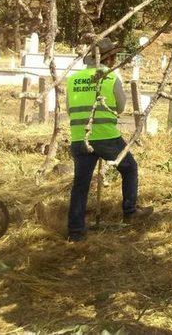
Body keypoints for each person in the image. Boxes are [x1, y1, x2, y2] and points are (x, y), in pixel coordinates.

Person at [66, 38, 152, 243]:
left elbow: (70, 109)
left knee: (81, 184)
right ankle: (130, 211)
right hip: (105, 136)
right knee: (129, 167)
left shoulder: (73, 79)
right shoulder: (111, 76)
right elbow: (120, 107)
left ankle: (75, 231)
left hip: (79, 137)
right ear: (109, 57)